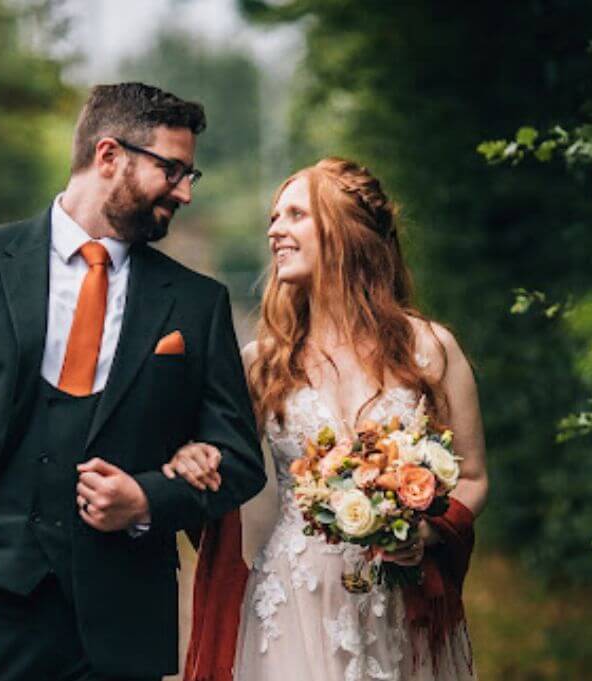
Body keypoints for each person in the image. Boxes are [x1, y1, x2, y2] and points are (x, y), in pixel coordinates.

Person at [0, 82, 266, 681]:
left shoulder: (196, 302)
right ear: (109, 156)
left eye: (192, 175)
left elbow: (239, 457)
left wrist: (146, 500)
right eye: (173, 170)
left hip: (119, 631)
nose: (184, 192)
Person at [167, 158, 488, 680]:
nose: (275, 230)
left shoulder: (430, 349)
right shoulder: (261, 362)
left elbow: (472, 477)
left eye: (295, 214)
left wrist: (423, 535)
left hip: (397, 603)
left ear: (345, 231)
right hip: (292, 596)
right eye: (273, 217)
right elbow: (216, 468)